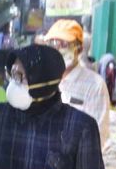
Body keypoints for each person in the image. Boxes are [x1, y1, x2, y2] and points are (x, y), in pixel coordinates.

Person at [44, 19, 110, 147]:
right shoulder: (43, 80)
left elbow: (99, 135)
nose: (57, 49)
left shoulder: (95, 85)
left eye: (64, 44)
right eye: (52, 44)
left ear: (79, 49)